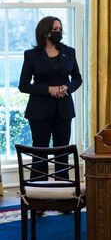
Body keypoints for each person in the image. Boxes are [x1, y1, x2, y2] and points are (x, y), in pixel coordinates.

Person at [19, 16, 82, 181]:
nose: (58, 31)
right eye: (55, 29)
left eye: (60, 29)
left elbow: (77, 78)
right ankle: (38, 194)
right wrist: (49, 90)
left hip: (64, 110)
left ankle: (63, 192)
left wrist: (68, 86)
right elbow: (23, 85)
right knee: (40, 152)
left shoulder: (69, 52)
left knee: (62, 151)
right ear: (45, 31)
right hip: (39, 111)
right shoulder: (31, 55)